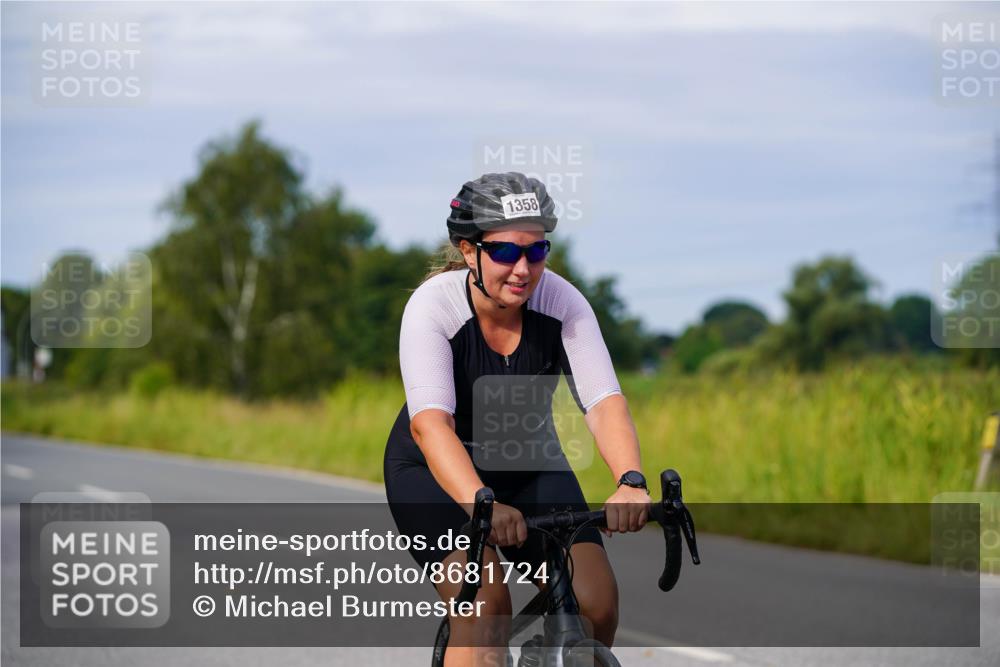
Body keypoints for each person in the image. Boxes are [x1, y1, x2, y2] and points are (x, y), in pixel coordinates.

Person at [383, 172, 650, 666]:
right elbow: (430, 426)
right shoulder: (433, 307)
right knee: (485, 606)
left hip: (526, 461)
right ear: (469, 251)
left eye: (537, 251)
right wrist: (482, 502)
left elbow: (603, 400)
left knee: (596, 603)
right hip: (436, 473)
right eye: (506, 253)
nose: (523, 268)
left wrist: (630, 480)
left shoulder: (561, 301)